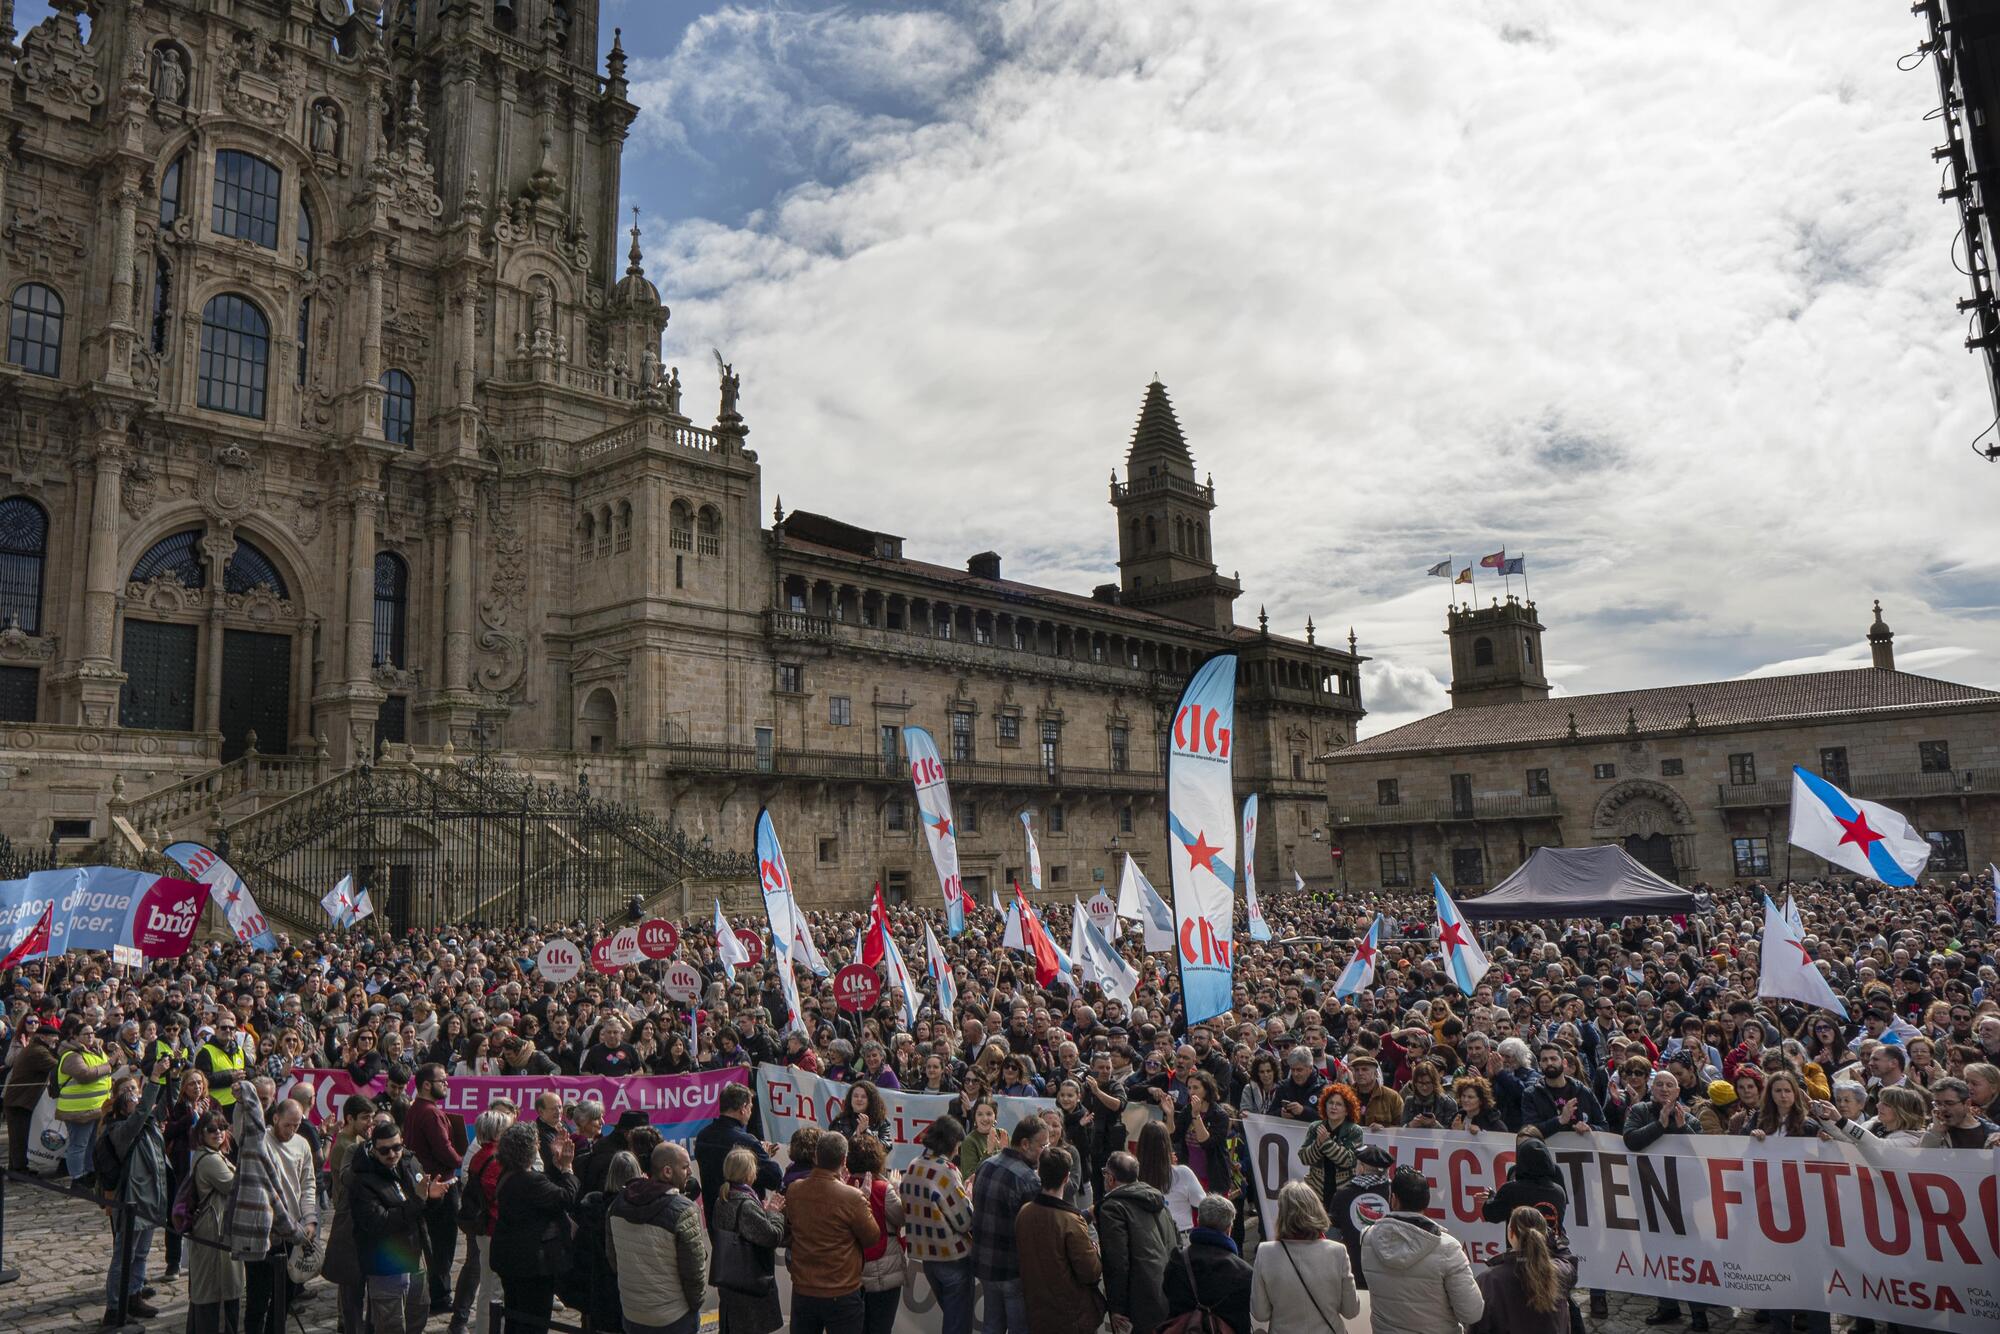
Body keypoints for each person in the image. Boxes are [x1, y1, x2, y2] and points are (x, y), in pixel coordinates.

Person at [348, 1119, 450, 1334]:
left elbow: (422, 1205)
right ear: (374, 1150)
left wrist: (432, 1198)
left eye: (396, 1148)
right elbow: (379, 1222)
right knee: (390, 1324)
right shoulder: (362, 1180)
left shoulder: (410, 1162)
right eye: (384, 1150)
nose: (392, 1154)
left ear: (402, 1143)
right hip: (383, 1262)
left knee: (419, 1312)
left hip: (414, 1254)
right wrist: (418, 1201)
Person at [1360, 1167, 1484, 1334]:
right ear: (1427, 1201)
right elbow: (1472, 1313)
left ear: (1393, 1199)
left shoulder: (1368, 1239)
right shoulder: (1448, 1248)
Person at [783, 1130, 879, 1334]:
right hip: (841, 1290)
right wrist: (863, 1200)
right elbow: (872, 1237)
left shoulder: (794, 1190)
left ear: (816, 1156)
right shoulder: (852, 1197)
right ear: (844, 1160)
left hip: (803, 1289)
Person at [607, 1142, 708, 1334]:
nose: (690, 1173)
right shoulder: (684, 1210)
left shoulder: (617, 1205)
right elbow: (694, 1273)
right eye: (685, 1167)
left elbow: (614, 1260)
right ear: (667, 1171)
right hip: (673, 1316)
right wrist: (695, 1305)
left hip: (632, 1312)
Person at [489, 1121, 578, 1334]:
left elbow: (547, 1192)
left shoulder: (510, 1174)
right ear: (530, 1149)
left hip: (511, 1259)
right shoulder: (529, 1180)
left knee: (515, 1316)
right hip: (531, 1265)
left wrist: (556, 1167)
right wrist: (567, 1168)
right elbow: (566, 1197)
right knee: (534, 1321)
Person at [1015, 1145, 1105, 1334]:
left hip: (1037, 1312)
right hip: (1070, 1316)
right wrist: (1095, 1250)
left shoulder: (1024, 1213)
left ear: (1039, 1173)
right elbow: (1091, 1272)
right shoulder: (1070, 1221)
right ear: (1066, 1178)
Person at [1250, 1180, 1360, 1334]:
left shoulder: (1265, 1253)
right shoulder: (1338, 1252)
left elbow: (1260, 1314)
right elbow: (1351, 1310)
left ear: (1282, 1213)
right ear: (1316, 1209)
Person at [899, 1115, 976, 1334]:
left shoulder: (913, 1166)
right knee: (958, 1326)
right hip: (953, 1257)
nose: (958, 1152)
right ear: (952, 1142)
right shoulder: (946, 1170)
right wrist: (969, 1195)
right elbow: (964, 1222)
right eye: (958, 1146)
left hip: (927, 1257)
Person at [971, 1115, 1046, 1334]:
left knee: (992, 1325)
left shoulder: (985, 1165)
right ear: (1025, 1144)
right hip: (1012, 1269)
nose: (1045, 1150)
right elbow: (1034, 1231)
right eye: (1042, 1145)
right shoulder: (1028, 1179)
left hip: (985, 1265)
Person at [404, 1062, 467, 1317]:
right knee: (442, 1244)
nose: (447, 1085)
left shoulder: (417, 1109)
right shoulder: (430, 1112)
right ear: (427, 1084)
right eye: (443, 1081)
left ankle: (434, 1291)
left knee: (434, 1243)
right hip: (440, 1185)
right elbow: (445, 1150)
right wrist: (462, 1160)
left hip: (427, 1184)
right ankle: (440, 1295)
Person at [1097, 1150, 1178, 1334]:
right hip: (1168, 1296)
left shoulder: (1113, 1208)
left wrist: (1117, 1307)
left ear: (1110, 1178)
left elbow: (1117, 1262)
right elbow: (1176, 1244)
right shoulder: (1158, 1202)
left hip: (1140, 1303)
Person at [452, 1107, 513, 1334]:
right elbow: (498, 1198)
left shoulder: (480, 1154)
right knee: (495, 1289)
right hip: (494, 1230)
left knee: (488, 1287)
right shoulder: (495, 1159)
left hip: (484, 1229)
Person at [712, 1146, 786, 1334]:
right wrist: (773, 1213)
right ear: (749, 1173)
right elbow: (772, 1236)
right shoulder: (745, 1204)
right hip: (750, 1287)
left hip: (730, 1284)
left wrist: (763, 1213)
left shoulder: (722, 1198)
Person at [1468, 1207, 1575, 1334]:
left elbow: (1478, 1326)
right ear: (1544, 1235)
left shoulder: (1489, 1280)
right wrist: (1553, 1239)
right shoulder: (1559, 1272)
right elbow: (1569, 1259)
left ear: (1511, 1234)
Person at [186, 1109, 246, 1334]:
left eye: (222, 1127)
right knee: (216, 1289)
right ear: (201, 1133)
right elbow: (235, 1187)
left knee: (214, 1287)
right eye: (212, 1129)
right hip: (214, 1230)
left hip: (215, 1227)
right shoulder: (210, 1159)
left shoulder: (213, 1155)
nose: (218, 1132)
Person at [694, 1084, 781, 1235]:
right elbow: (775, 1179)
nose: (750, 1113)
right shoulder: (747, 1142)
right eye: (751, 1108)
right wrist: (764, 1155)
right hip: (746, 1222)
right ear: (743, 1108)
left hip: (715, 1219)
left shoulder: (703, 1136)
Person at [1164, 1195, 1253, 1334]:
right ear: (1229, 1229)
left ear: (1198, 1221)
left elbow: (1168, 1296)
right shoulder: (1244, 1273)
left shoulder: (1177, 1261)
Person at [846, 1134, 906, 1334]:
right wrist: (897, 1190)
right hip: (884, 1268)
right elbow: (901, 1218)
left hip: (853, 1267)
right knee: (880, 1326)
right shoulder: (883, 1188)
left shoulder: (843, 1185)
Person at [56, 1014, 115, 1184]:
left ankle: (89, 1171)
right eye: (86, 1034)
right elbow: (84, 1075)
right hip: (78, 1110)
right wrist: (109, 1064)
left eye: (92, 1033)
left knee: (91, 1143)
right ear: (75, 1037)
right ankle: (77, 1177)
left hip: (96, 1107)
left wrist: (111, 1062)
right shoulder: (71, 1055)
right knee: (78, 1145)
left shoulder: (95, 1051)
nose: (90, 1036)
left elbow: (104, 1071)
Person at [4, 1015, 58, 1172]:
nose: (55, 1040)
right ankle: (19, 1170)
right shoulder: (39, 1052)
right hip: (18, 1102)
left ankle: (16, 1167)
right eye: (53, 1037)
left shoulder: (36, 1048)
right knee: (19, 1137)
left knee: (18, 1137)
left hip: (20, 1100)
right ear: (42, 1037)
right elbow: (58, 1067)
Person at [1135, 1118, 1205, 1233]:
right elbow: (1202, 1203)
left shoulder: (1134, 1173)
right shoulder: (1183, 1173)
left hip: (1147, 1238)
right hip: (1180, 1237)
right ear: (1167, 1145)